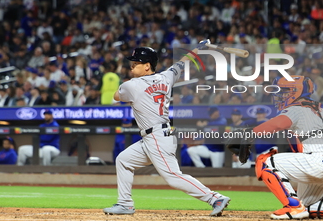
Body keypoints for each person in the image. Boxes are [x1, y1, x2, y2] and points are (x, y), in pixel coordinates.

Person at [103, 41, 230, 216]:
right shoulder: (166, 77)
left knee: (172, 176)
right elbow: (182, 62)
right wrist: (198, 49)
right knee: (123, 160)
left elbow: (116, 96)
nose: (131, 67)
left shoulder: (131, 85)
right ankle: (125, 204)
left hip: (156, 137)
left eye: (135, 64)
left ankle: (214, 198)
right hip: (154, 136)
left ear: (147, 66)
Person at [232, 76, 323, 219]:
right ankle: (309, 207)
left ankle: (293, 207)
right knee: (307, 205)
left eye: (286, 91)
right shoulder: (319, 108)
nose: (281, 95)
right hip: (316, 162)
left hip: (317, 160)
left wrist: (250, 133)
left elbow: (279, 123)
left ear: (297, 91)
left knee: (266, 161)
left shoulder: (297, 108)